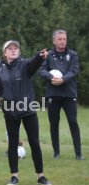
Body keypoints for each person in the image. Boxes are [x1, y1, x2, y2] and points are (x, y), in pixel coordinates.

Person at [0, 40, 51, 185]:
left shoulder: (25, 65)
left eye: (15, 48)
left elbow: (34, 63)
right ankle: (14, 176)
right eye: (10, 49)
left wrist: (39, 56)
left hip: (28, 110)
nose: (13, 50)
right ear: (4, 52)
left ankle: (40, 176)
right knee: (12, 144)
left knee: (34, 142)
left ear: (19, 51)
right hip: (10, 112)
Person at [38, 30, 84, 160]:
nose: (62, 41)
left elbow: (74, 70)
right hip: (53, 94)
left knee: (73, 122)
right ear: (54, 41)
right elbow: (41, 71)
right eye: (59, 39)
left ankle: (78, 153)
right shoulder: (48, 55)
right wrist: (51, 77)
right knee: (54, 123)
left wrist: (63, 79)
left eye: (64, 39)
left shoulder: (73, 55)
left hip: (69, 94)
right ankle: (56, 152)